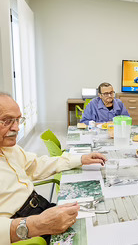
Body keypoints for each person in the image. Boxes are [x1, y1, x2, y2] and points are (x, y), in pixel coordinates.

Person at [0, 93, 107, 244]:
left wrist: (80, 159)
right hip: (21, 229)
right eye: (7, 121)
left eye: (18, 120)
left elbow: (37, 165)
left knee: (98, 218)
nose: (16, 128)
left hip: (40, 207)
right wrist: (35, 225)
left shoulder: (10, 149)